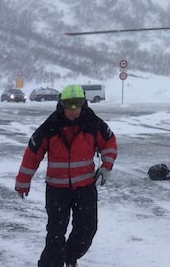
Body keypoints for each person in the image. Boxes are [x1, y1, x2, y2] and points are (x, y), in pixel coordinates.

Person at [15, 84, 117, 267]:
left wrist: (107, 166)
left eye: (76, 106)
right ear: (61, 105)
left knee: (87, 231)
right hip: (57, 190)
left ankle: (69, 257)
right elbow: (33, 153)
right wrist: (23, 181)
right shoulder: (51, 126)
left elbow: (109, 142)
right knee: (55, 235)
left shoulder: (92, 123)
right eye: (68, 106)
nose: (72, 111)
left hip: (85, 188)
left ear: (83, 104)